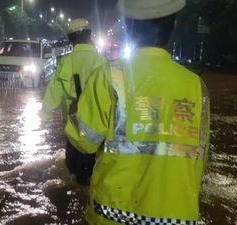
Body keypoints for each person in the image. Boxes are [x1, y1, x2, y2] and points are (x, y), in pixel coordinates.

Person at [64, 0, 210, 224]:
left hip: (113, 214)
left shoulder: (109, 76)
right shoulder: (196, 86)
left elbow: (84, 141)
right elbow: (199, 157)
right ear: (174, 24)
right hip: (178, 217)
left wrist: (74, 111)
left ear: (128, 26)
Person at [41, 18, 107, 185]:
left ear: (71, 39)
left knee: (72, 172)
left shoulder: (66, 62)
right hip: (97, 129)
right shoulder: (102, 62)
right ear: (90, 36)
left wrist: (45, 115)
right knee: (92, 172)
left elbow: (54, 92)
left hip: (73, 126)